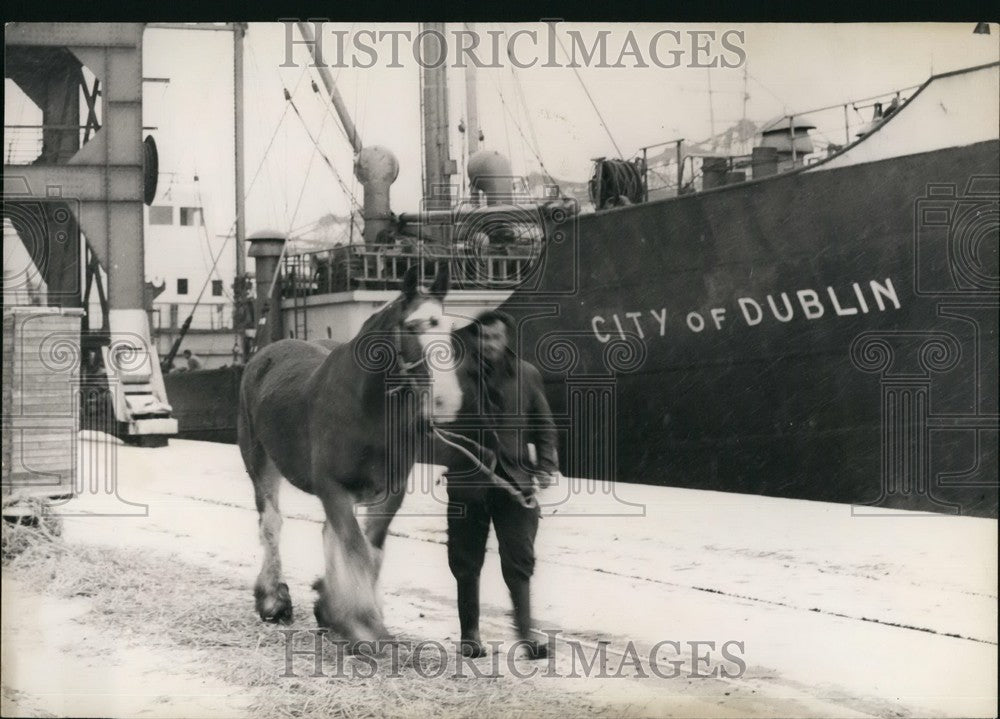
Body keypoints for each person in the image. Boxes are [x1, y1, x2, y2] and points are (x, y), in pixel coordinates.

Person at [445, 310, 560, 660]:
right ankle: (470, 635)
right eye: (483, 338)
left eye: (496, 337)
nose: (490, 344)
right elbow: (437, 423)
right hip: (468, 484)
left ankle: (526, 637)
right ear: (475, 339)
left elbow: (544, 425)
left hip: (515, 483)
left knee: (520, 560)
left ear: (506, 338)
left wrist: (546, 466)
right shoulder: (454, 377)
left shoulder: (527, 375)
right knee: (466, 561)